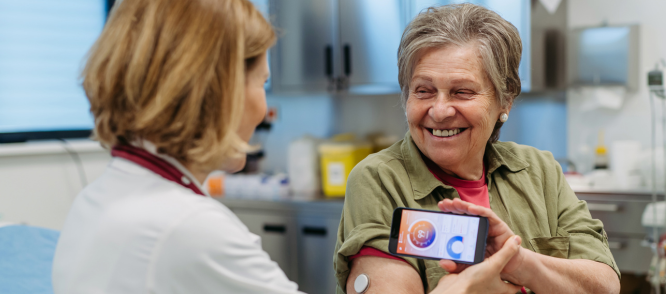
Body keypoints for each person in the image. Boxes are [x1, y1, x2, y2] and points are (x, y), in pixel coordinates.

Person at [51, 0, 522, 293]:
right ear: (213, 90)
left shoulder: (101, 199)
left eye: (462, 92)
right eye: (262, 84)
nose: (265, 110)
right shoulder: (187, 229)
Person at [334, 3, 621, 294]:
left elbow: (605, 285)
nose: (441, 110)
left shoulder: (538, 170)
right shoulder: (379, 180)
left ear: (504, 102)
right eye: (424, 90)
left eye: (462, 92)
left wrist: (519, 262)